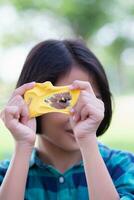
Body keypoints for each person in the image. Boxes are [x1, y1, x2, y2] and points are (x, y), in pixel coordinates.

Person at [0, 39, 134, 200]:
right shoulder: (7, 175)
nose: (80, 114)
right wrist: (22, 146)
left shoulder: (124, 167)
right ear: (29, 100)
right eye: (64, 101)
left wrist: (87, 140)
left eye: (90, 100)